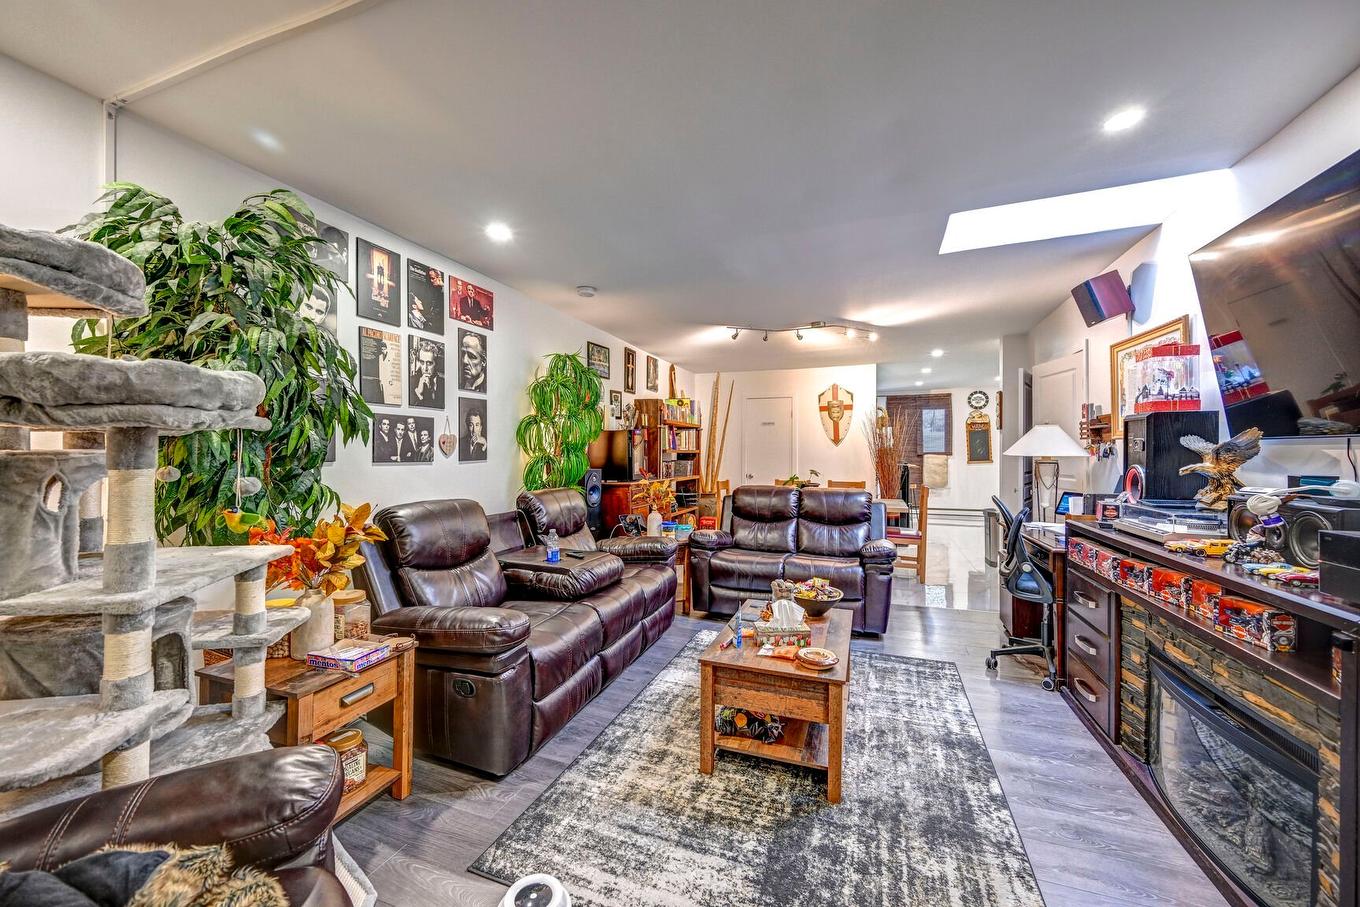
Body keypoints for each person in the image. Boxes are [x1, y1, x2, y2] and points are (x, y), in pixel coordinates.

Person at [411, 339, 443, 407]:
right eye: (422, 362)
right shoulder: (411, 382)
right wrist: (419, 393)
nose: (425, 368)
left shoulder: (444, 384)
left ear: (436, 363)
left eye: (429, 363)